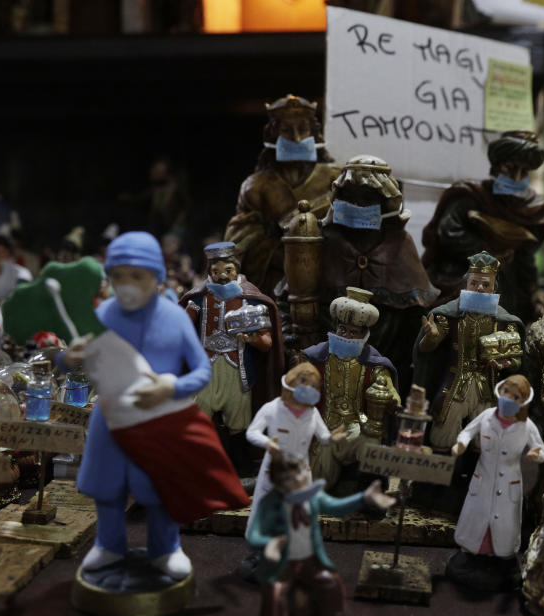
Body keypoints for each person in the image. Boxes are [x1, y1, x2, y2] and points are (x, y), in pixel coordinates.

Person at [62, 231, 248, 580]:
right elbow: (76, 360)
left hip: (159, 419)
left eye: (137, 275)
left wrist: (170, 386)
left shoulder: (175, 317)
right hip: (112, 416)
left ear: (157, 276)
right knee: (107, 487)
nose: (127, 285)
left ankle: (166, 548)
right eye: (118, 276)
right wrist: (69, 357)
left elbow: (201, 371)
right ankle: (108, 544)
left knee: (160, 487)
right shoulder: (103, 314)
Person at [314, 155, 439, 384]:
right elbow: (294, 294)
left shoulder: (400, 244)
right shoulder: (324, 241)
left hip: (384, 363)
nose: (357, 205)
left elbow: (415, 313)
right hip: (325, 361)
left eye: (367, 199)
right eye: (349, 197)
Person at [247, 450, 395, 616]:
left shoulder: (312, 497)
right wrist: (270, 543)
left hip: (310, 559)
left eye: (296, 475)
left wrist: (363, 498)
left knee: (331, 580)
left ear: (306, 472)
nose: (292, 482)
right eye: (284, 477)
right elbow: (254, 535)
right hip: (282, 564)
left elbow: (336, 507)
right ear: (274, 479)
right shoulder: (269, 503)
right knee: (275, 593)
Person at [421, 131, 544, 322]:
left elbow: (525, 257)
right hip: (463, 275)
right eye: (510, 168)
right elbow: (449, 232)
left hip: (506, 285)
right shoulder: (470, 195)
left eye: (523, 172)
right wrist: (488, 254)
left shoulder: (527, 210)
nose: (516, 178)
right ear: (497, 166)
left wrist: (533, 292)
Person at [179, 241, 284, 472]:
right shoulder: (198, 300)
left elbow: (266, 344)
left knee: (238, 417)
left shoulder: (251, 302)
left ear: (236, 270)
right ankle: (198, 461)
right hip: (206, 367)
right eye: (215, 272)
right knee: (199, 411)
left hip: (237, 368)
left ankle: (241, 463)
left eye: (228, 270)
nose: (222, 277)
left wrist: (252, 339)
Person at [224, 95, 341, 297]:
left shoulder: (337, 178)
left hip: (327, 280)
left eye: (303, 130)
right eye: (286, 131)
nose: (296, 138)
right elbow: (240, 238)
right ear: (273, 136)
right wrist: (287, 255)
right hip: (274, 282)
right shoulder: (256, 185)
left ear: (314, 134)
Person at [412, 252, 527, 454]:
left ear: (493, 289)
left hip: (486, 388)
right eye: (474, 283)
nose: (480, 288)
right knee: (444, 431)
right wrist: (431, 336)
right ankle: (441, 479)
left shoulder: (504, 322)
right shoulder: (449, 316)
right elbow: (426, 349)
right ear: (466, 286)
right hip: (456, 385)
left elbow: (517, 359)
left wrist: (507, 364)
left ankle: (474, 477)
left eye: (485, 284)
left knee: (485, 438)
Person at [241, 362, 344, 578]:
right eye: (303, 383)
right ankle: (259, 553)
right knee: (265, 511)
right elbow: (252, 432)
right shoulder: (272, 408)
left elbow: (323, 437)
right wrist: (268, 443)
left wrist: (332, 439)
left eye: (313, 386)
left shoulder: (312, 413)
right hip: (274, 472)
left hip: (299, 475)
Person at [446, 374, 544, 591]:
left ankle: (499, 561)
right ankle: (474, 556)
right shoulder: (486, 416)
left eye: (516, 396)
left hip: (509, 483)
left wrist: (535, 454)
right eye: (506, 392)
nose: (508, 398)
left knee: (504, 527)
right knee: (477, 519)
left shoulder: (526, 427)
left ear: (523, 402)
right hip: (484, 478)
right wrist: (461, 445)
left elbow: (542, 452)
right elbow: (467, 431)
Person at [303, 288, 399, 492]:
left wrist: (391, 398)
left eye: (353, 332)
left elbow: (390, 392)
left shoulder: (375, 365)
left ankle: (370, 495)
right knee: (316, 488)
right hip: (323, 432)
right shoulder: (316, 358)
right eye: (342, 330)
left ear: (364, 335)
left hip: (356, 431)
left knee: (371, 441)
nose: (346, 336)